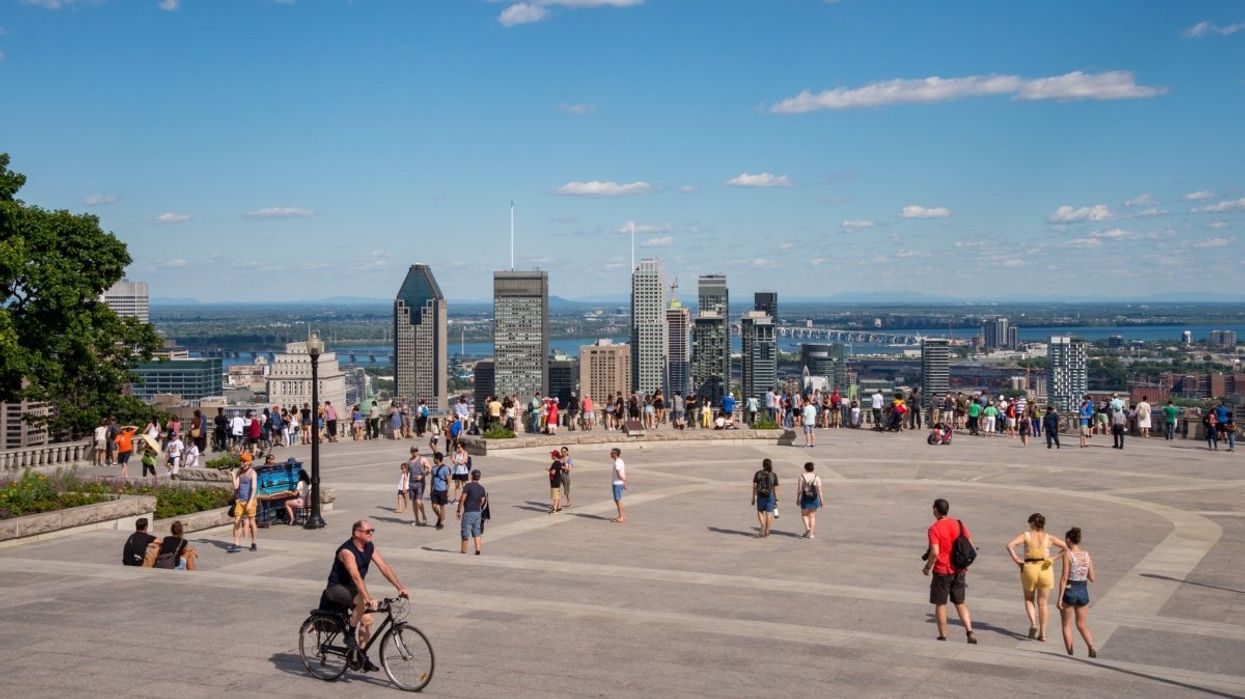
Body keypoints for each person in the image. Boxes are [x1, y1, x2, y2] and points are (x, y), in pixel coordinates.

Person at [319, 520, 409, 673]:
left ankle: (360, 656)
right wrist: (367, 597)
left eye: (372, 530)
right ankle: (349, 634)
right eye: (368, 531)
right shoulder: (346, 551)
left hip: (353, 590)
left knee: (367, 620)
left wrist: (399, 587)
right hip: (336, 589)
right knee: (362, 600)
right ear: (357, 533)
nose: (371, 533)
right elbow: (355, 576)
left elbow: (383, 566)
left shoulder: (369, 547)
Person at [1005, 512, 1068, 642]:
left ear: (1032, 524)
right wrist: (1052, 558)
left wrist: (1017, 560)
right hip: (1045, 569)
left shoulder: (1026, 535)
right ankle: (1043, 634)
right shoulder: (1049, 537)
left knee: (1029, 599)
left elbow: (1009, 545)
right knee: (1043, 603)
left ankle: (1033, 623)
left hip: (1029, 568)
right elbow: (1066, 547)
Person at [921, 498, 977, 644]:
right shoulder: (959, 523)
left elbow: (935, 551)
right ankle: (969, 631)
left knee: (941, 604)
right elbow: (970, 544)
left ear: (935, 510)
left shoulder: (934, 528)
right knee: (960, 603)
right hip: (959, 570)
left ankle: (942, 636)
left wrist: (927, 567)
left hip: (942, 570)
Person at [1057, 526, 1097, 657]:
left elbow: (1064, 578)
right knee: (1081, 624)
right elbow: (1092, 578)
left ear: (1068, 540)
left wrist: (1059, 599)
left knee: (1066, 625)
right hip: (1083, 590)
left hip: (1069, 589)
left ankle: (1070, 653)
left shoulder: (1068, 555)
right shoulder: (1086, 555)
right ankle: (1091, 646)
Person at [228, 452, 259, 553]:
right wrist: (232, 474)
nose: (242, 463)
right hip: (240, 501)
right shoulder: (239, 472)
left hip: (250, 500)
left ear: (249, 462)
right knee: (237, 521)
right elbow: (236, 486)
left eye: (244, 461)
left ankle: (254, 542)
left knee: (252, 521)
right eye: (241, 461)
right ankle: (237, 543)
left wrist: (250, 502)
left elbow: (254, 488)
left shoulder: (252, 473)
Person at [456, 469, 487, 555]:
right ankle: (478, 550)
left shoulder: (468, 486)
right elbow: (483, 502)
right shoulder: (482, 488)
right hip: (478, 513)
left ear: (472, 476)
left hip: (468, 512)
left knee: (465, 533)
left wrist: (458, 510)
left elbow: (462, 499)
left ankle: (463, 551)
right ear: (479, 478)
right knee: (477, 532)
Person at [751, 458, 779, 538]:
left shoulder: (758, 473)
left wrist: (753, 498)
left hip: (760, 495)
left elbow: (754, 487)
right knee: (769, 513)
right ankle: (767, 531)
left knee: (760, 511)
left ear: (763, 464)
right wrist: (777, 499)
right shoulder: (773, 474)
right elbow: (776, 488)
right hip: (770, 495)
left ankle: (762, 524)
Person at [797, 462, 823, 539]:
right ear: (813, 468)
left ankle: (807, 528)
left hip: (805, 497)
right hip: (814, 498)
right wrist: (822, 500)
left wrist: (798, 499)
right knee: (812, 516)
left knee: (804, 515)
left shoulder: (802, 477)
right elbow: (820, 490)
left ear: (805, 468)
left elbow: (799, 490)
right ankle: (811, 534)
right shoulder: (817, 477)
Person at [407, 447, 430, 527]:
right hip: (411, 484)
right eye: (413, 451)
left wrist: (422, 476)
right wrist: (405, 485)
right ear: (411, 452)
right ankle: (417, 520)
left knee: (418, 501)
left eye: (416, 450)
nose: (415, 452)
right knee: (414, 502)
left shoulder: (422, 459)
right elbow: (406, 473)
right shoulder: (409, 461)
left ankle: (423, 515)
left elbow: (429, 469)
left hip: (420, 483)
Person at [429, 452, 451, 530]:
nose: (433, 459)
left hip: (442, 490)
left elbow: (449, 480)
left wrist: (448, 491)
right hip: (434, 490)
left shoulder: (445, 468)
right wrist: (431, 488)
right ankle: (439, 516)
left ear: (438, 459)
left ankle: (441, 522)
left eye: (434, 458)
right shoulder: (433, 468)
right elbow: (432, 479)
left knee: (442, 507)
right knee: (433, 506)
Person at [610, 447, 627, 523]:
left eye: (612, 453)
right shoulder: (620, 461)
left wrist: (624, 481)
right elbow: (623, 472)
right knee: (618, 500)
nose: (610, 454)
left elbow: (619, 474)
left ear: (615, 454)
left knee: (618, 500)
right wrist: (624, 482)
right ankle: (622, 515)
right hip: (619, 483)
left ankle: (621, 517)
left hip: (617, 483)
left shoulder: (617, 462)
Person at [547, 449, 564, 514]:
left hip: (554, 481)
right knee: (558, 494)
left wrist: (548, 470)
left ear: (554, 456)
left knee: (555, 496)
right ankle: (559, 507)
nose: (551, 456)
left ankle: (555, 509)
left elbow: (553, 472)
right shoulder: (559, 462)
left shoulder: (555, 463)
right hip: (558, 480)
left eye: (552, 455)